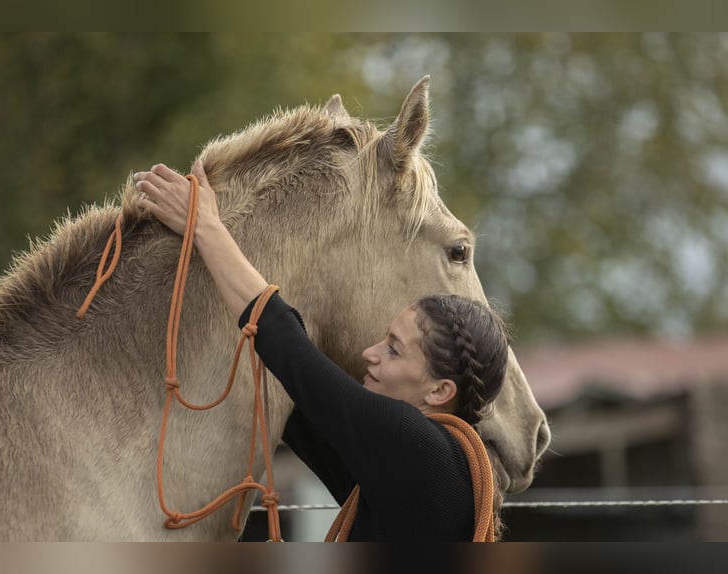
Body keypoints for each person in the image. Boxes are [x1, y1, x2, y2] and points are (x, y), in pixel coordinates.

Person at [133, 161, 511, 542]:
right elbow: (292, 390)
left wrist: (207, 226)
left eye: (394, 351)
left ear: (439, 392)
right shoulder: (424, 468)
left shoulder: (415, 447)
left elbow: (290, 352)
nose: (370, 353)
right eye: (385, 339)